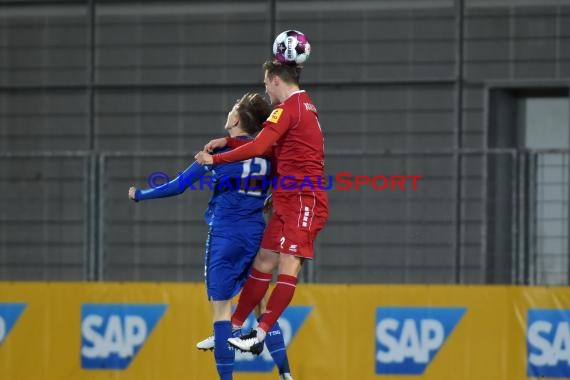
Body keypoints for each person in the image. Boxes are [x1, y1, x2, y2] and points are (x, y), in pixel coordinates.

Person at [128, 93, 293, 380]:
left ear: (237, 119)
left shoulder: (218, 156)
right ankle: (285, 373)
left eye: (232, 109)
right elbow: (282, 178)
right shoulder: (267, 152)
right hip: (255, 233)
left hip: (225, 235)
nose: (228, 113)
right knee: (261, 302)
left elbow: (179, 185)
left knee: (221, 310)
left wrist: (140, 194)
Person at [195, 59, 329, 354]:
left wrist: (214, 159)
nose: (265, 89)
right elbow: (275, 148)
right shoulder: (302, 105)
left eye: (266, 82)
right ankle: (232, 327)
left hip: (304, 199)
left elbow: (257, 148)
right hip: (286, 198)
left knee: (288, 265)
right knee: (263, 263)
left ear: (276, 79)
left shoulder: (288, 108)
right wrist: (228, 143)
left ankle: (259, 332)